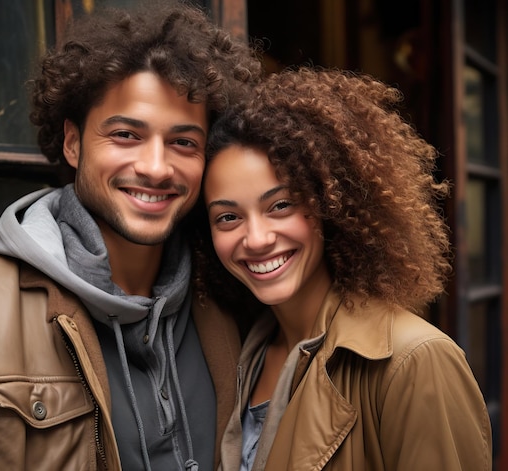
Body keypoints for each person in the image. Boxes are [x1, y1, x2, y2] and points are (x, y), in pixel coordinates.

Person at [0, 3, 262, 470]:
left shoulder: (238, 297)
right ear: (73, 142)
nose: (156, 167)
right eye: (126, 135)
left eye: (183, 142)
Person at [193, 67, 492, 470]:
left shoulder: (415, 360)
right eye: (228, 217)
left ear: (330, 203)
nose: (257, 238)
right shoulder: (242, 350)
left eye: (280, 205)